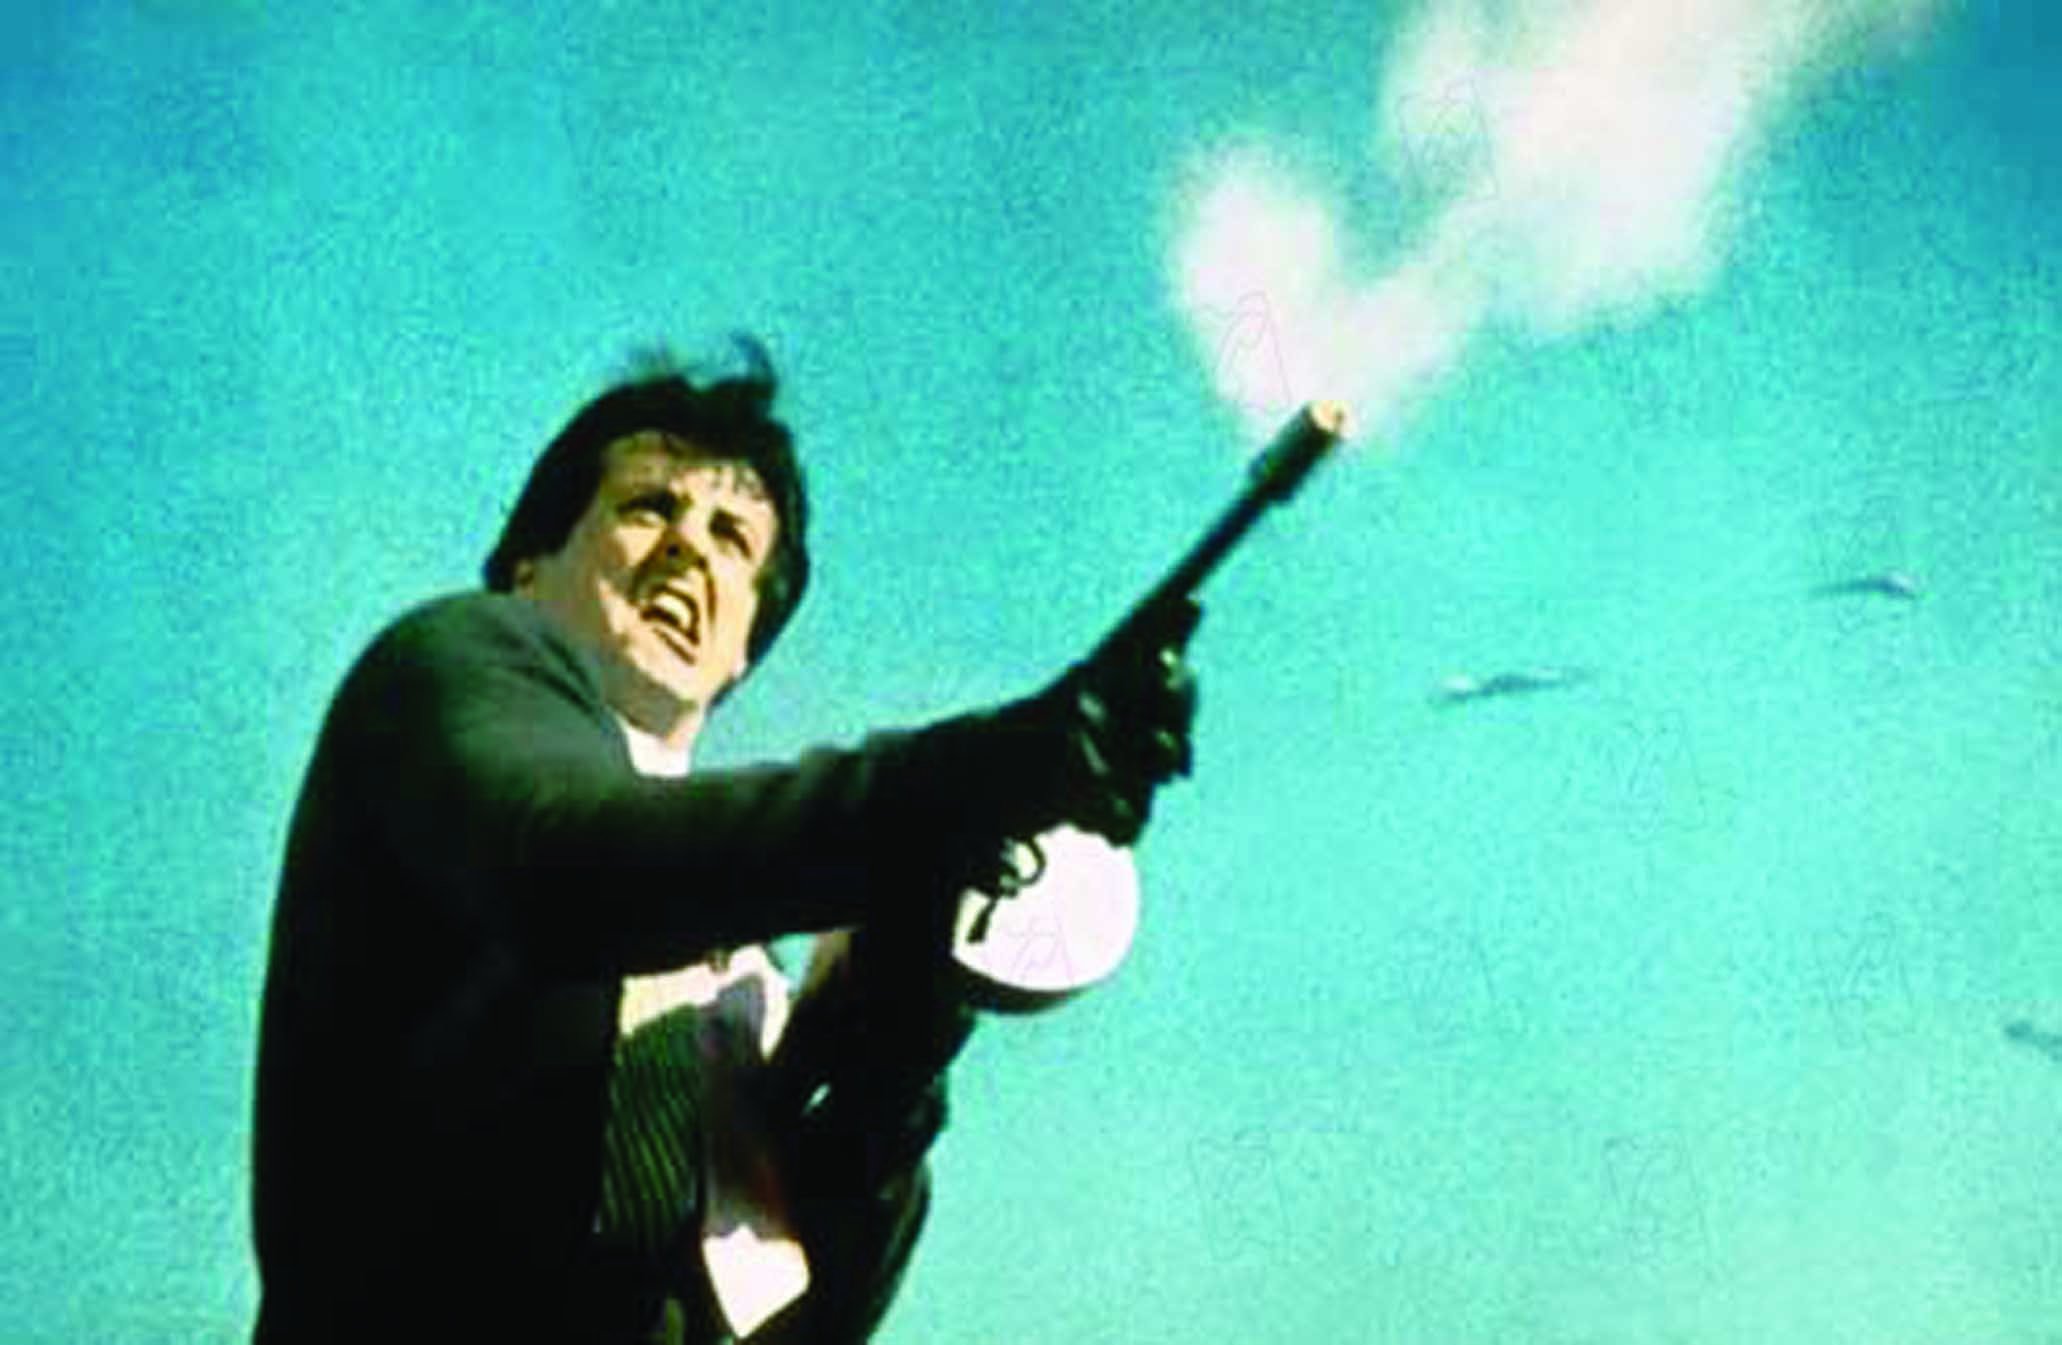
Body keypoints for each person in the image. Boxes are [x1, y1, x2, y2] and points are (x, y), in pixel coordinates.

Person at [249, 338, 1200, 1343]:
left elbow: (817, 1315)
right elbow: (570, 862)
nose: (689, 549)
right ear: (529, 565)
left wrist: (895, 1052)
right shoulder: (448, 666)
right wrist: (961, 782)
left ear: (744, 645)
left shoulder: (744, 980)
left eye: (732, 538)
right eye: (647, 507)